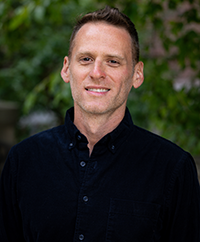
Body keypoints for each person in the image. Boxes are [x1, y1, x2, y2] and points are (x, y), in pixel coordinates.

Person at [0, 6, 200, 242]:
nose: (97, 72)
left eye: (113, 61)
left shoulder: (173, 169)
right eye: (86, 59)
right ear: (66, 68)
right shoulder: (23, 161)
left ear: (137, 74)